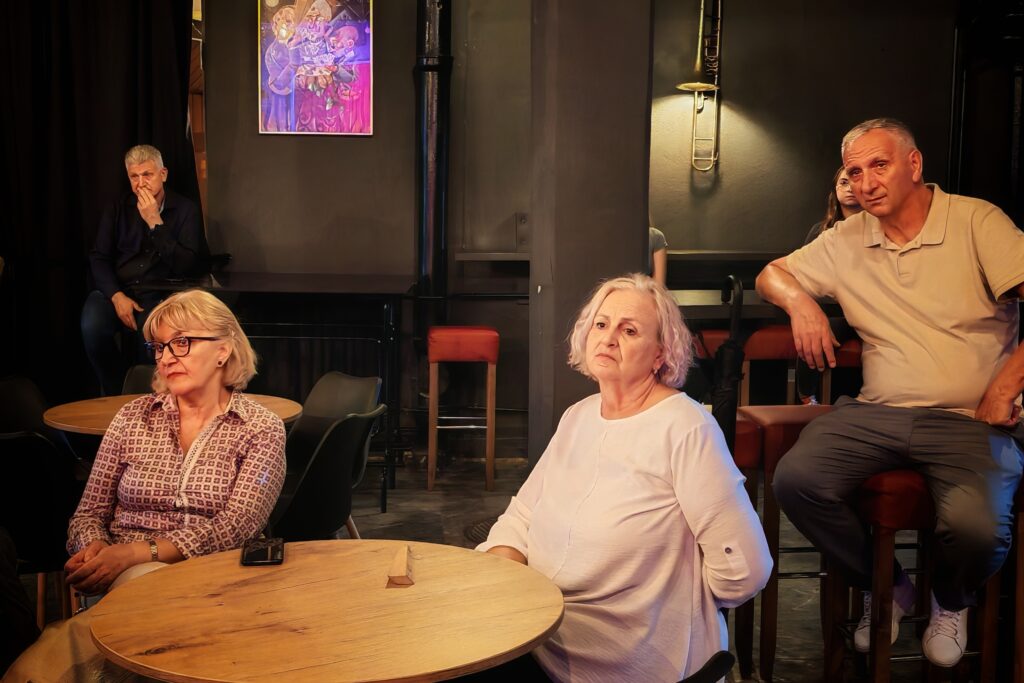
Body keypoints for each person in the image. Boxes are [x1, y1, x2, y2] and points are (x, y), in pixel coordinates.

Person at [756, 118, 1024, 667]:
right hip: (877, 413)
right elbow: (771, 274)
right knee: (796, 482)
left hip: (969, 417)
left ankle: (949, 599)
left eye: (878, 165)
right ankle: (889, 587)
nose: (865, 182)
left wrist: (1006, 383)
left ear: (914, 164)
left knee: (977, 531)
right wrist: (801, 303)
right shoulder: (848, 237)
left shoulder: (975, 221)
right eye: (854, 172)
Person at [476, 273, 771, 681]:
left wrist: (680, 602)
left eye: (629, 330)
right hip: (540, 638)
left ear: (660, 354)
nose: (609, 338)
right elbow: (522, 516)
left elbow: (745, 571)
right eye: (601, 324)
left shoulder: (685, 428)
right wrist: (502, 581)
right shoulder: (579, 416)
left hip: (628, 662)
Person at [5, 289, 285, 681]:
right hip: (121, 576)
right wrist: (93, 549)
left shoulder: (260, 427)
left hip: (213, 577)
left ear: (223, 350)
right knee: (140, 595)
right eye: (159, 347)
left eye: (181, 343)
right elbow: (89, 512)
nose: (166, 357)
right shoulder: (132, 418)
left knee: (144, 591)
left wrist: (138, 554)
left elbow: (237, 526)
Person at [81, 144, 209, 396]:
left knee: (149, 337)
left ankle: (149, 396)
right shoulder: (117, 208)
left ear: (163, 174)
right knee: (92, 326)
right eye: (134, 176)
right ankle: (116, 390)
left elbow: (188, 265)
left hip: (160, 292)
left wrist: (155, 223)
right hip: (119, 290)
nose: (141, 183)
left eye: (147, 175)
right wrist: (116, 296)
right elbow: (99, 257)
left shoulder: (185, 210)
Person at [795, 166, 862, 404]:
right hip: (832, 308)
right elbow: (802, 273)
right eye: (843, 182)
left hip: (869, 307)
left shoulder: (880, 228)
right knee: (817, 328)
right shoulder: (821, 230)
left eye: (854, 181)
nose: (849, 188)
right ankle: (807, 397)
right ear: (835, 190)